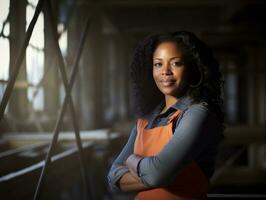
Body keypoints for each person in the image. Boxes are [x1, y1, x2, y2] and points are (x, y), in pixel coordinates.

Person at [107, 31, 224, 200]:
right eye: (158, 64)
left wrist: (132, 160)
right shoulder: (145, 119)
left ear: (192, 68)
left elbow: (157, 175)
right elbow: (113, 177)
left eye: (176, 63)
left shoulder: (198, 113)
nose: (165, 71)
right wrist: (154, 173)